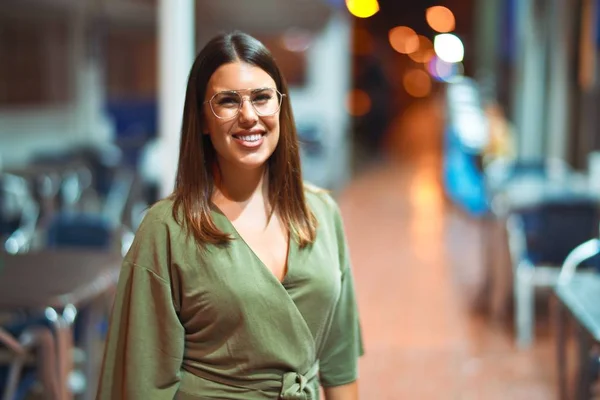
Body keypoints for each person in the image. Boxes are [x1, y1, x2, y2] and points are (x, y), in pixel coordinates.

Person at [97, 31, 364, 400]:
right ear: (204, 120)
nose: (249, 116)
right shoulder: (167, 230)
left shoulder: (321, 213)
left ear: (281, 108)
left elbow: (340, 360)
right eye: (227, 101)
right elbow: (139, 382)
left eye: (262, 98)